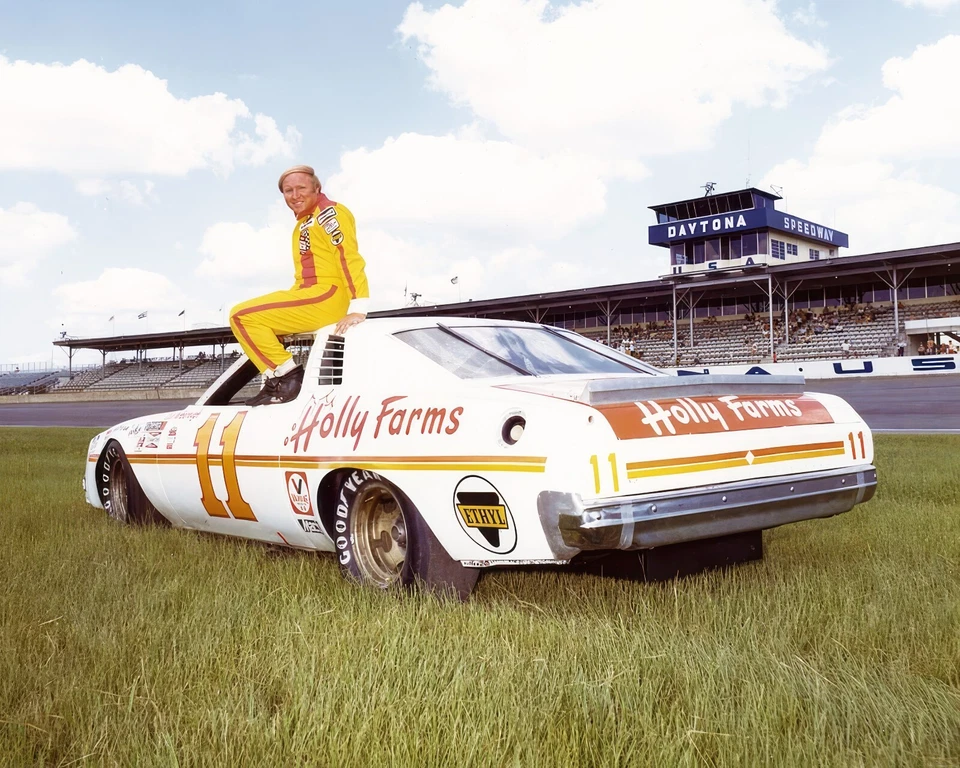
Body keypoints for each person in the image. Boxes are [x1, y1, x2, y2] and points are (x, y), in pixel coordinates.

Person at [230, 165, 370, 405]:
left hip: (328, 295)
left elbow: (347, 256)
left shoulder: (329, 213)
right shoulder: (305, 222)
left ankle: (287, 377)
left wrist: (359, 306)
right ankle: (277, 377)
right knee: (253, 316)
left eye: (301, 188)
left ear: (317, 187)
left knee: (241, 315)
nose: (295, 196)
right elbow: (303, 277)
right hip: (312, 294)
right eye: (288, 191)